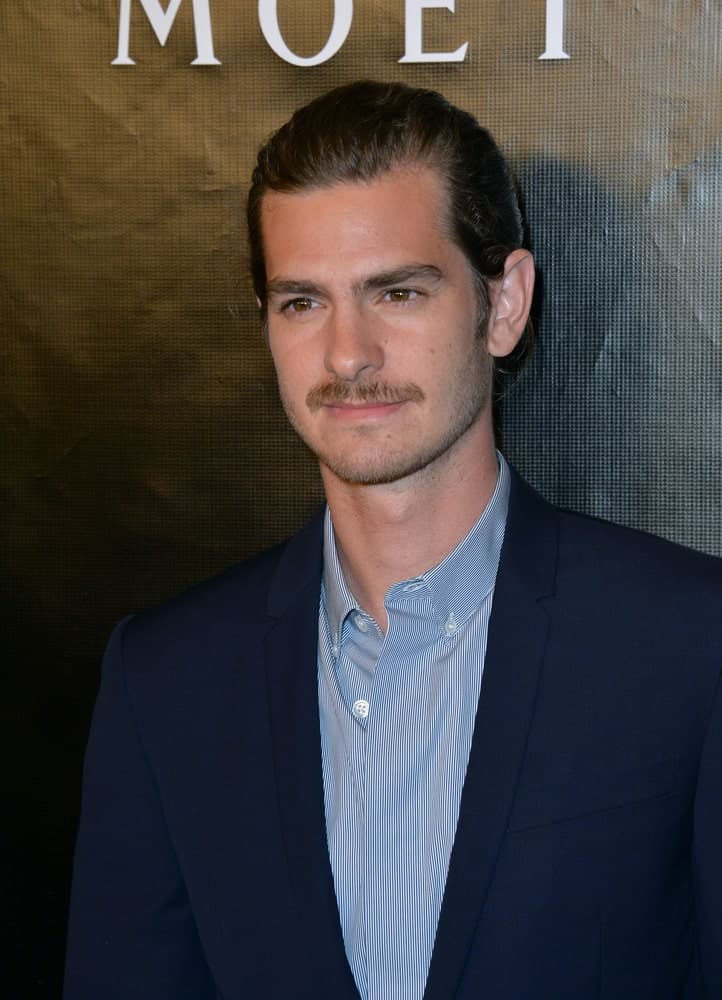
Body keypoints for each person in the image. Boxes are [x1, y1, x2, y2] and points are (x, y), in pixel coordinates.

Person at [64, 81, 722, 999]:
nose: (347, 355)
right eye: (302, 303)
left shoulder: (692, 645)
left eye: (398, 291)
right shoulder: (167, 680)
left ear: (504, 305)